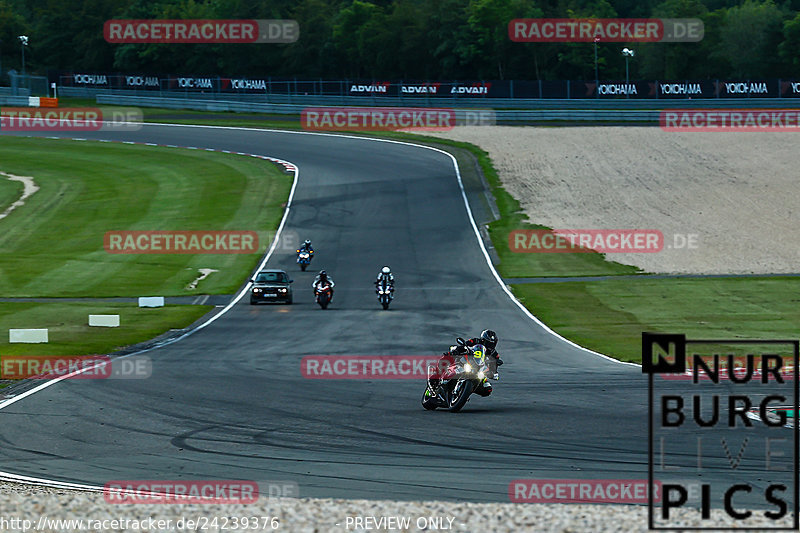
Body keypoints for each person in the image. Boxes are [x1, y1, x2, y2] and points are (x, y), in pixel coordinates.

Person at [429, 329, 503, 397]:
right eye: (488, 343)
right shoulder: (475, 341)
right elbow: (464, 345)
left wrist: (494, 372)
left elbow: (495, 365)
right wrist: (457, 351)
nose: (490, 345)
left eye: (492, 344)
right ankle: (435, 375)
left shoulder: (494, 353)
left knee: (487, 389)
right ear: (483, 340)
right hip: (466, 361)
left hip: (479, 370)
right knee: (446, 357)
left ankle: (464, 392)